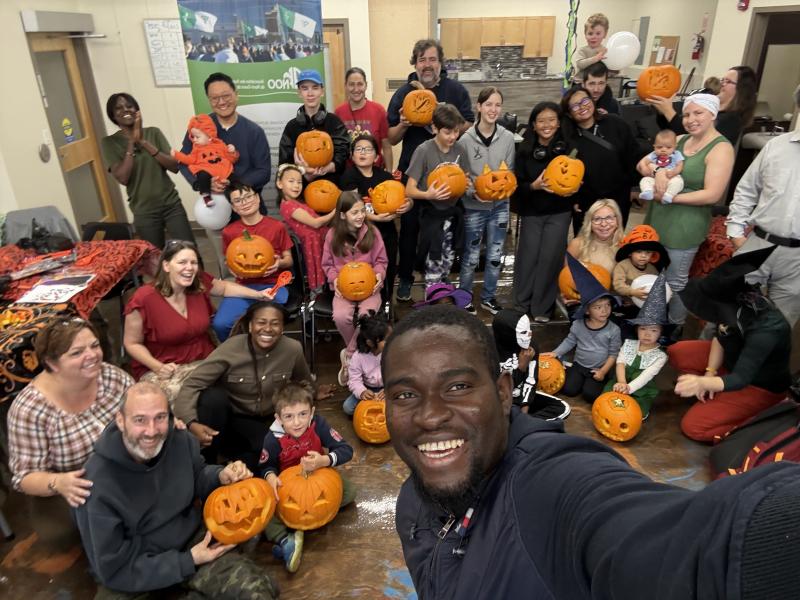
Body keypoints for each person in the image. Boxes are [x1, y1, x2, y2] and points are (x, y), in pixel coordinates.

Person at [383, 304, 800, 599]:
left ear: (504, 392)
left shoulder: (551, 484)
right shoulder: (413, 503)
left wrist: (769, 535)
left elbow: (691, 552)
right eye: (404, 394)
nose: (430, 416)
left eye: (458, 387)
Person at [74, 382, 278, 599]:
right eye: (140, 420)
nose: (151, 431)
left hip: (193, 543)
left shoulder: (181, 440)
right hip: (135, 570)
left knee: (257, 591)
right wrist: (187, 561)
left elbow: (197, 475)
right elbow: (113, 568)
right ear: (120, 421)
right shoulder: (93, 483)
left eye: (160, 417)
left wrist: (220, 475)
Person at [174, 302, 332, 469]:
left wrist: (315, 392)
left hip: (264, 422)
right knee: (212, 398)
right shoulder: (231, 349)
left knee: (271, 453)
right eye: (261, 322)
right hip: (229, 419)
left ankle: (230, 466)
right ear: (250, 326)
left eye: (275, 323)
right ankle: (206, 464)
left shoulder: (292, 349)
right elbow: (193, 383)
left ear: (282, 328)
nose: (268, 329)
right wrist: (191, 423)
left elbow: (303, 378)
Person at [123, 240, 274, 403]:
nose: (189, 268)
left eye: (193, 263)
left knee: (249, 382)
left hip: (204, 359)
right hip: (165, 367)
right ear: (166, 266)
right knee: (199, 398)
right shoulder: (144, 298)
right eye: (182, 262)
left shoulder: (198, 284)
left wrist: (259, 295)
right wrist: (158, 367)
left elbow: (224, 288)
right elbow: (132, 343)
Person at [8, 319, 133, 508]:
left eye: (94, 345)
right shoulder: (30, 410)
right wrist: (59, 482)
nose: (92, 355)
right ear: (52, 363)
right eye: (77, 353)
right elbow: (25, 477)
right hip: (78, 492)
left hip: (128, 469)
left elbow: (141, 409)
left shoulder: (111, 376)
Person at [671, 247, 791, 442]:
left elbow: (741, 378)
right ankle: (718, 396)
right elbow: (721, 336)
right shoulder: (733, 307)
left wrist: (702, 383)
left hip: (757, 386)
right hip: (731, 364)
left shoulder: (767, 330)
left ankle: (758, 418)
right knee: (679, 351)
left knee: (693, 427)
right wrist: (710, 372)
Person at [386, 39, 474, 302]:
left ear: (440, 63)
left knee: (443, 231)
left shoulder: (455, 90)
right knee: (409, 229)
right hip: (413, 171)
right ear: (415, 63)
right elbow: (391, 137)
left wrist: (445, 123)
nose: (427, 65)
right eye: (422, 59)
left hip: (447, 171)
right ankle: (406, 277)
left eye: (432, 59)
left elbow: (468, 123)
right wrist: (404, 123)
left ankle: (438, 279)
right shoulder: (404, 94)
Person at [643, 93, 734, 328]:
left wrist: (672, 198)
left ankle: (674, 326)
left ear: (712, 114)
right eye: (686, 114)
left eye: (698, 113)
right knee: (655, 274)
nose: (691, 119)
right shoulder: (680, 140)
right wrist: (658, 172)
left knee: (675, 280)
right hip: (658, 217)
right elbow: (642, 164)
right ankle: (652, 323)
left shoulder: (721, 148)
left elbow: (712, 194)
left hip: (685, 225)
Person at [257, 381, 356, 573]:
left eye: (303, 414)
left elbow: (346, 450)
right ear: (278, 418)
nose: (297, 422)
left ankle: (303, 521)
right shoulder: (272, 438)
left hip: (319, 476)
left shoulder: (319, 425)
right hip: (287, 488)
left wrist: (324, 460)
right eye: (289, 416)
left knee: (350, 492)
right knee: (264, 511)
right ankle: (285, 539)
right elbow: (265, 466)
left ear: (311, 412)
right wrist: (270, 477)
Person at [725, 85, 800, 327]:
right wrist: (735, 232)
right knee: (729, 314)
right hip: (758, 242)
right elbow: (746, 189)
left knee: (778, 326)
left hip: (797, 259)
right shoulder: (776, 147)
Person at [101, 93, 195, 249]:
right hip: (144, 211)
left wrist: (143, 142)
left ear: (137, 110)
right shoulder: (109, 143)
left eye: (129, 106)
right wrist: (131, 142)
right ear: (113, 116)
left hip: (171, 205)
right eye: (119, 108)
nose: (125, 110)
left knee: (189, 249)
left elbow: (174, 167)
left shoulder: (153, 132)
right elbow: (123, 178)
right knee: (154, 257)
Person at [512, 102, 574, 323]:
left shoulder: (569, 149)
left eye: (551, 120)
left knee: (550, 259)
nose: (546, 125)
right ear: (533, 125)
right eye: (541, 121)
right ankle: (521, 303)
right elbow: (516, 185)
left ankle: (543, 307)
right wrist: (534, 186)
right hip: (532, 211)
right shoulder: (524, 150)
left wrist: (575, 189)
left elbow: (577, 176)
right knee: (528, 257)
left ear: (558, 123)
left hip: (559, 211)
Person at [457, 87, 515, 315]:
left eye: (497, 105)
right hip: (474, 207)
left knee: (495, 255)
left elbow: (509, 172)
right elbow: (461, 177)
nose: (493, 109)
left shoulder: (507, 138)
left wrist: (502, 192)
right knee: (471, 255)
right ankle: (464, 297)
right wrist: (473, 193)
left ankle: (488, 297)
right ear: (479, 107)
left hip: (500, 205)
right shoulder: (465, 140)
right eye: (488, 104)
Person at [321, 192, 388, 385]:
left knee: (367, 317)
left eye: (362, 211)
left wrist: (379, 274)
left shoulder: (373, 233)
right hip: (344, 288)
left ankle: (350, 355)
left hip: (370, 288)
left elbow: (381, 261)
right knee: (340, 316)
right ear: (343, 215)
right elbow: (327, 265)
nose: (360, 216)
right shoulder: (332, 235)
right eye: (354, 212)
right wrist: (334, 279)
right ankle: (361, 355)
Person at [214, 180, 293, 341]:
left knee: (265, 324)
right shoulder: (229, 232)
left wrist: (279, 263)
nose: (244, 203)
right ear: (233, 207)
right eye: (238, 200)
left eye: (248, 197)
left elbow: (289, 260)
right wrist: (233, 270)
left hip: (273, 286)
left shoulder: (277, 227)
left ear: (257, 198)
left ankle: (267, 353)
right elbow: (230, 262)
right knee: (221, 324)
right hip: (243, 287)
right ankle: (236, 352)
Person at [339, 132, 413, 303]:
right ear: (352, 155)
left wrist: (408, 205)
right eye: (358, 149)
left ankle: (386, 303)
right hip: (360, 234)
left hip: (387, 231)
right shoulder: (348, 177)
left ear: (377, 156)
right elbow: (352, 208)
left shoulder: (385, 176)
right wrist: (376, 218)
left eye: (368, 149)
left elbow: (405, 197)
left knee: (387, 267)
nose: (363, 152)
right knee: (364, 273)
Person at [405, 104, 469, 287]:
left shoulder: (460, 150)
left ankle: (443, 291)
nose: (453, 137)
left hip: (453, 215)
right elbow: (409, 190)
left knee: (447, 263)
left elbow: (465, 179)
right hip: (432, 216)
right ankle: (433, 296)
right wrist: (428, 194)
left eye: (456, 132)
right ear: (434, 128)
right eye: (447, 132)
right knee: (433, 263)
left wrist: (467, 185)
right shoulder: (424, 151)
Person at [178, 73, 270, 200]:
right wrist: (200, 183)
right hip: (213, 200)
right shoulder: (198, 127)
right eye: (214, 98)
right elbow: (183, 162)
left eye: (226, 96)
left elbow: (263, 171)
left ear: (236, 95)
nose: (221, 102)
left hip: (245, 199)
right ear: (209, 100)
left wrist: (234, 184)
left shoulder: (254, 131)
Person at [561, 86, 639, 231]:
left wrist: (635, 186)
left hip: (618, 196)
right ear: (569, 114)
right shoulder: (568, 137)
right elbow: (565, 174)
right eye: (575, 106)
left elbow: (633, 154)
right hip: (586, 200)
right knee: (585, 239)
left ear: (592, 101)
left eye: (585, 100)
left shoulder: (615, 123)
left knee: (614, 237)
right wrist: (573, 199)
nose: (582, 107)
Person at [547, 255, 621, 403]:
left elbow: (613, 354)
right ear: (587, 310)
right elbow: (570, 341)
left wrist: (603, 371)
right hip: (579, 365)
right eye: (598, 307)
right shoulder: (578, 325)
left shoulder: (613, 330)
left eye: (607, 305)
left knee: (590, 395)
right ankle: (574, 373)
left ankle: (603, 379)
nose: (604, 310)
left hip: (599, 367)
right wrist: (556, 352)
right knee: (569, 390)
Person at [603, 272, 670, 419]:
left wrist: (629, 388)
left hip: (640, 387)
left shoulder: (660, 356)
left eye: (653, 330)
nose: (647, 334)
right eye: (643, 329)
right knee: (607, 402)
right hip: (621, 381)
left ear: (660, 333)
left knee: (635, 412)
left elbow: (646, 375)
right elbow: (620, 363)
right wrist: (622, 382)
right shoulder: (629, 344)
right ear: (637, 330)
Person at [646, 66, 757, 144]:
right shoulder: (708, 105)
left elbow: (693, 138)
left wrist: (668, 111)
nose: (722, 84)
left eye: (728, 81)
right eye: (723, 80)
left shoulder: (732, 120)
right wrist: (662, 113)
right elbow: (672, 130)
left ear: (741, 88)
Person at [492, 309, 570, 420]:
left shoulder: (530, 346)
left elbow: (530, 381)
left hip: (520, 397)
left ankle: (521, 423)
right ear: (507, 333)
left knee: (562, 408)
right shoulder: (489, 350)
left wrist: (524, 415)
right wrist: (521, 368)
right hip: (497, 401)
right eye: (523, 332)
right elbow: (496, 391)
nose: (530, 334)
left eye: (529, 329)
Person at [278, 69, 350, 186]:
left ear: (322, 91)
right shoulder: (292, 127)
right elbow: (284, 163)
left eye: (315, 88)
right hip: (300, 188)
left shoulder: (334, 122)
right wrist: (302, 171)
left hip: (331, 186)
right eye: (305, 88)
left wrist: (328, 167)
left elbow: (343, 153)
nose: (310, 93)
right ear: (299, 92)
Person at [277, 163, 334, 294]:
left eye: (299, 182)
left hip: (320, 239)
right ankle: (317, 297)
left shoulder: (298, 202)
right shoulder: (287, 205)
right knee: (317, 273)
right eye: (291, 181)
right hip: (312, 244)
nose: (296, 185)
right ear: (280, 184)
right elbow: (315, 223)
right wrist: (335, 211)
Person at [172, 114, 238, 205]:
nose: (194, 140)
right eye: (193, 137)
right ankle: (206, 196)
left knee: (234, 178)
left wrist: (232, 152)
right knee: (202, 176)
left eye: (197, 137)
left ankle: (236, 194)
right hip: (206, 170)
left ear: (210, 137)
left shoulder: (220, 144)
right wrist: (177, 155)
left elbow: (231, 159)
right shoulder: (196, 149)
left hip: (223, 169)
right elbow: (189, 160)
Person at [334, 67, 393, 169]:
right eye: (351, 84)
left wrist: (389, 173)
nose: (356, 89)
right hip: (347, 173)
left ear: (366, 85)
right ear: (346, 86)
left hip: (375, 171)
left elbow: (386, 146)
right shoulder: (339, 113)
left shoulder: (378, 111)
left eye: (360, 84)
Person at [344, 311, 391, 416]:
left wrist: (389, 388)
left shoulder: (393, 352)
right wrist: (362, 392)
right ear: (370, 342)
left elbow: (398, 375)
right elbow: (354, 380)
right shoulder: (358, 357)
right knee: (348, 407)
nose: (391, 341)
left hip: (388, 387)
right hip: (367, 387)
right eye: (386, 340)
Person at [611, 224, 670, 306]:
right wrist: (632, 292)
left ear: (653, 255)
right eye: (639, 252)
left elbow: (656, 284)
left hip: (644, 304)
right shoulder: (622, 266)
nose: (643, 256)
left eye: (648, 252)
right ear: (630, 253)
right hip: (624, 303)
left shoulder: (652, 269)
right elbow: (618, 285)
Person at [566, 198, 624, 276]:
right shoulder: (577, 244)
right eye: (597, 219)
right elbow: (566, 277)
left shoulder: (625, 246)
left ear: (617, 220)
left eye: (609, 218)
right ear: (590, 223)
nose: (603, 224)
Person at [637, 129, 684, 203]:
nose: (663, 150)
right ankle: (648, 191)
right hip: (655, 177)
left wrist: (675, 172)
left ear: (675, 147)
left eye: (668, 147)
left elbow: (680, 165)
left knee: (678, 182)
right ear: (654, 146)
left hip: (671, 175)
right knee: (645, 180)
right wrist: (644, 167)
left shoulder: (676, 154)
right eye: (659, 147)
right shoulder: (654, 154)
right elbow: (643, 162)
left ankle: (669, 195)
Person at [572, 13, 609, 83]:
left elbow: (607, 68)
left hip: (597, 84)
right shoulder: (583, 50)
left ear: (605, 34)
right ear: (585, 35)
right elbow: (580, 64)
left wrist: (614, 70)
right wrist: (595, 58)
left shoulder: (605, 51)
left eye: (598, 33)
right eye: (590, 33)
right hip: (581, 82)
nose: (594, 37)